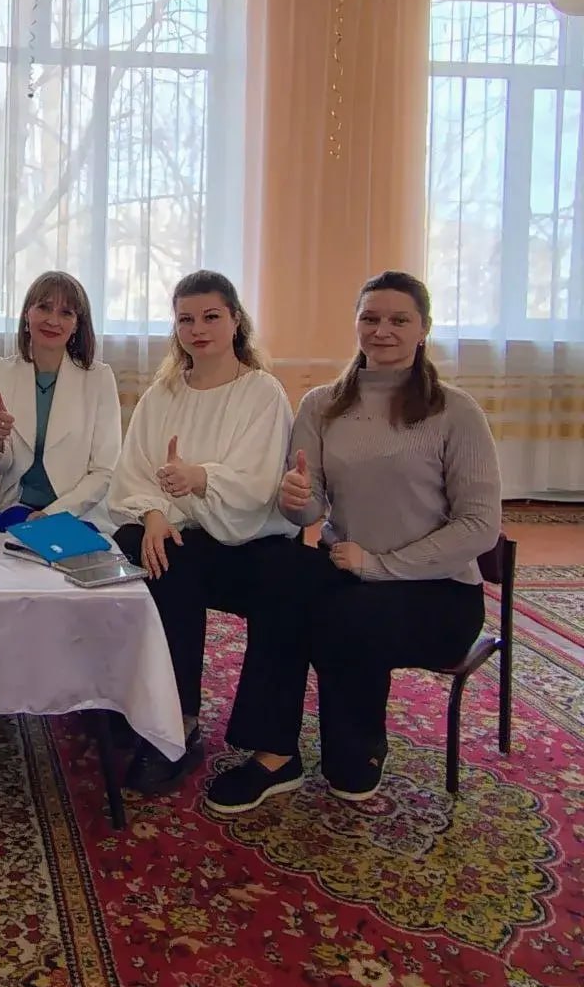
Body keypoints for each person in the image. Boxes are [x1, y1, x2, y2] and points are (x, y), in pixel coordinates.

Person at [206, 270, 501, 813]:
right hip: (348, 569)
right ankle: (274, 754)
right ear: (357, 324)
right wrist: (294, 498)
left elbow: (479, 525)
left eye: (399, 320)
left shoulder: (456, 412)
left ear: (424, 328)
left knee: (346, 614)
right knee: (277, 573)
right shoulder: (322, 405)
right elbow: (309, 509)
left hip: (438, 593)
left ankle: (356, 752)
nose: (382, 330)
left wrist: (380, 565)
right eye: (370, 318)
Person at [108, 270, 302, 794]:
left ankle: (268, 744)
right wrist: (153, 512)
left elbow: (259, 483)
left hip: (249, 542)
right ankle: (177, 720)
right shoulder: (163, 394)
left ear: (235, 320)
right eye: (186, 319)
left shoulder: (262, 393)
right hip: (181, 536)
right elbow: (133, 472)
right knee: (153, 552)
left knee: (289, 575)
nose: (198, 329)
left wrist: (201, 478)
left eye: (211, 316)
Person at [0, 271, 121, 532]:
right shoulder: (0, 373)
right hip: (17, 509)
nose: (53, 320)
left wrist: (50, 515)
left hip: (79, 513)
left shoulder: (99, 378)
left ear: (77, 325)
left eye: (66, 313)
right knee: (11, 554)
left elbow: (105, 471)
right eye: (44, 307)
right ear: (27, 314)